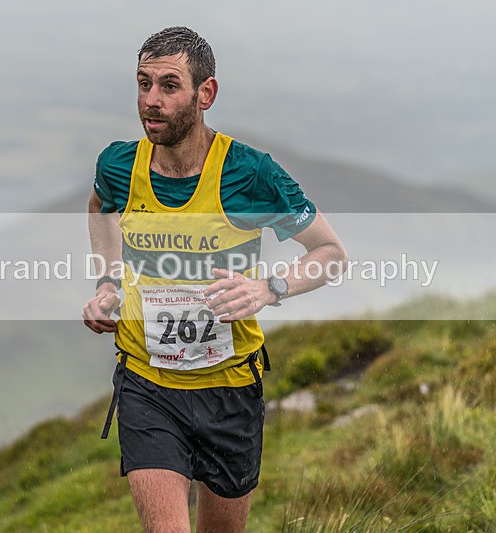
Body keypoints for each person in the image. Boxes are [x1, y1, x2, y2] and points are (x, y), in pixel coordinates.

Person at [82, 26, 347, 532]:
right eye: (142, 84)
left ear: (206, 93)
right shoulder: (118, 165)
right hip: (147, 383)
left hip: (230, 388)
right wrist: (108, 284)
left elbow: (331, 253)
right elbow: (100, 207)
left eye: (168, 85)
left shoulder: (250, 173)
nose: (150, 101)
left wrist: (270, 289)